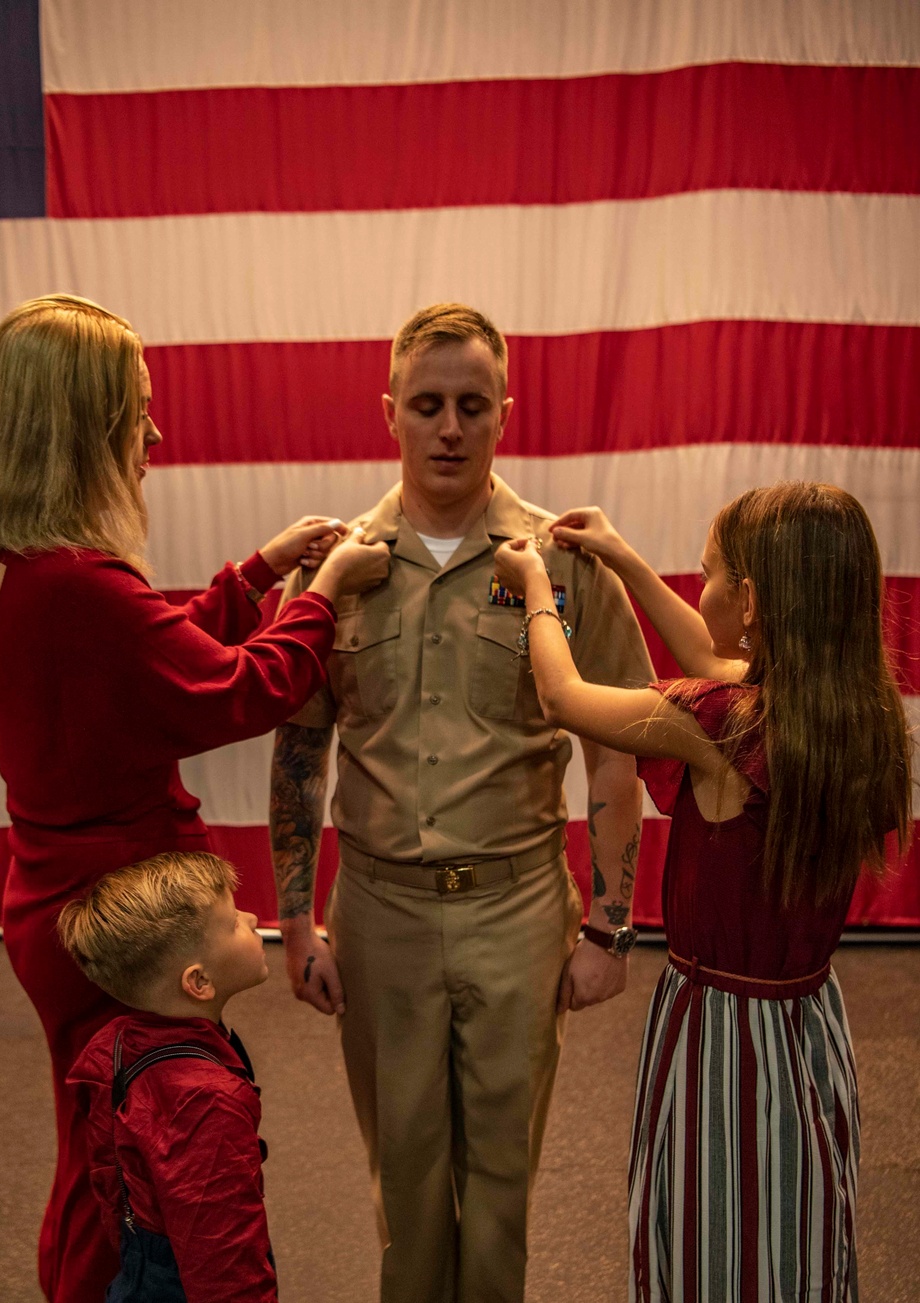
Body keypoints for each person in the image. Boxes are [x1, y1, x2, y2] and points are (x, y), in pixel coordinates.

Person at [0, 293, 389, 1303]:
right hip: (117, 918)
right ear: (81, 428)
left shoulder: (9, 565)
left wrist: (258, 574)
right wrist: (324, 597)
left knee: (98, 1148)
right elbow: (231, 690)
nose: (153, 435)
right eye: (134, 413)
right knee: (132, 1168)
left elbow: (145, 657)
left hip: (57, 895)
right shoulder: (79, 584)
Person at [269, 302, 654, 1302]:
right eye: (428, 404)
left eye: (471, 405)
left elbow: (617, 758)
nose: (449, 427)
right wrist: (296, 919)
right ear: (388, 409)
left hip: (516, 915)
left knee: (499, 1191)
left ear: (503, 414)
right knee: (404, 1185)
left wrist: (609, 930)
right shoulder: (333, 567)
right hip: (381, 916)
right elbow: (302, 750)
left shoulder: (564, 565)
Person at [492, 482, 913, 1303]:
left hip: (720, 1035)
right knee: (794, 1222)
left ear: (750, 600)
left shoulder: (721, 720)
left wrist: (536, 591)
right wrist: (626, 558)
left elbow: (563, 696)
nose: (701, 585)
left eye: (711, 572)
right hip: (806, 1023)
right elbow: (712, 658)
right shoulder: (847, 711)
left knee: (709, 1227)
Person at [61, 851, 278, 1303]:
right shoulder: (204, 1103)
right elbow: (223, 1260)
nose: (253, 918)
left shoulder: (113, 1045)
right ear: (198, 982)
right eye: (233, 922)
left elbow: (110, 1184)